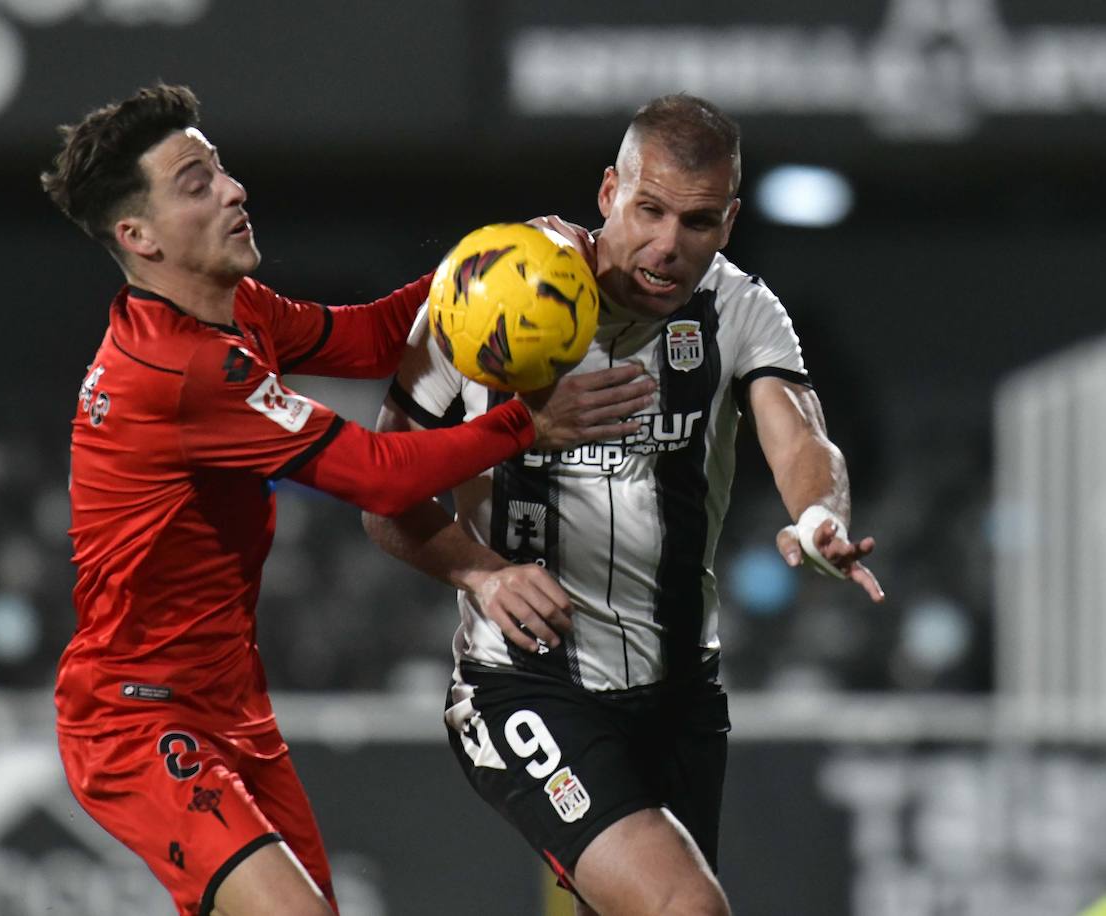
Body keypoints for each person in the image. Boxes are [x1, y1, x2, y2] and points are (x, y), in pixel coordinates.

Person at [40, 83, 655, 916]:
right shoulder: (181, 373)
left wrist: (493, 264)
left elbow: (367, 339)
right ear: (137, 236)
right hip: (137, 718)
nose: (233, 190)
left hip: (229, 704)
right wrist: (523, 426)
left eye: (221, 170)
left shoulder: (234, 312)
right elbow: (379, 475)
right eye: (196, 183)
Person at [363, 94, 884, 915]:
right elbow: (382, 490)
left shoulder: (740, 309)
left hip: (680, 698)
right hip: (525, 686)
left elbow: (802, 440)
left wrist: (820, 517)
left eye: (700, 222)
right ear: (609, 193)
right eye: (649, 210)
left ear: (731, 222)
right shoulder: (487, 291)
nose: (669, 245)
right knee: (687, 909)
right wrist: (484, 574)